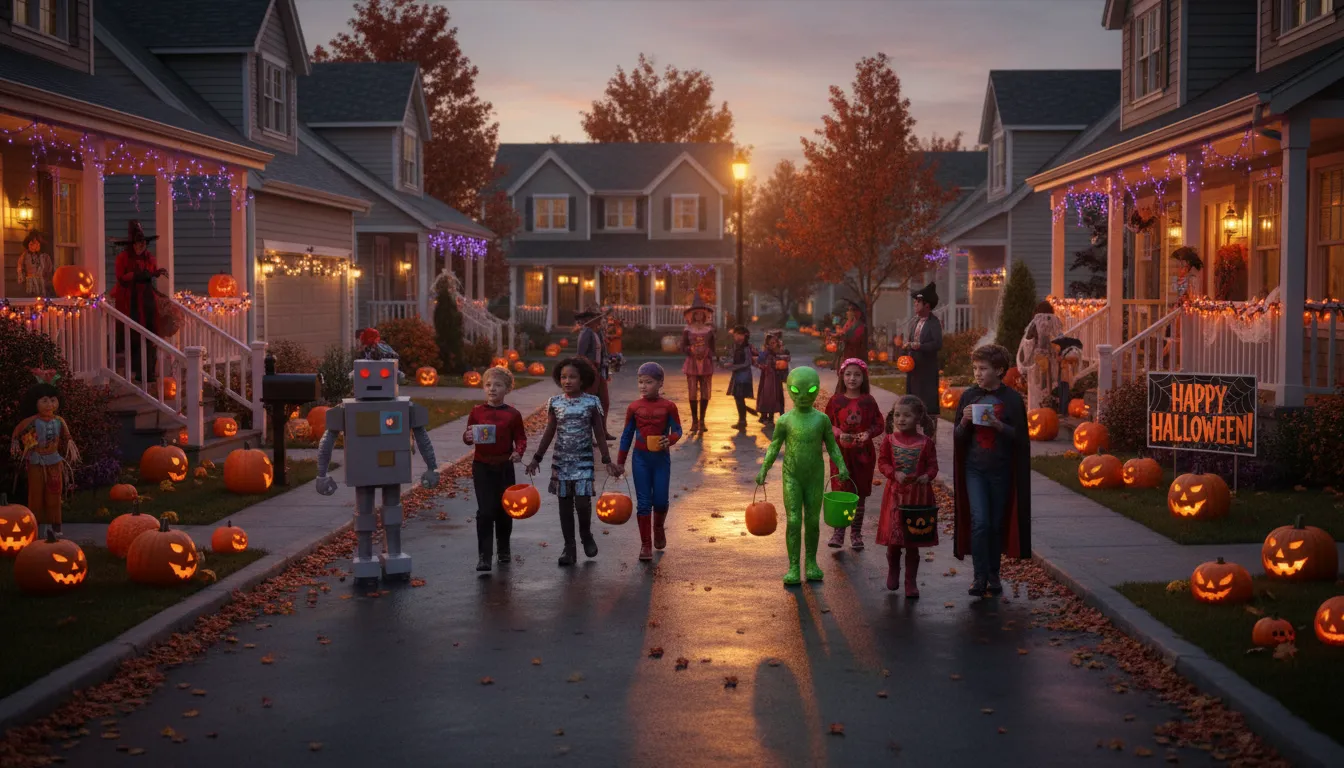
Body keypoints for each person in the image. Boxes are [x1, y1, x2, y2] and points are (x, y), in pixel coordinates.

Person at [755, 367, 850, 585]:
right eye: (797, 390)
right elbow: (774, 446)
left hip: (815, 476)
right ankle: (794, 565)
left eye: (811, 390)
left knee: (813, 521)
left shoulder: (822, 420)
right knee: (795, 520)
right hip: (792, 476)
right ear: (789, 389)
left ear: (817, 391)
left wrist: (841, 466)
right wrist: (764, 468)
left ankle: (811, 563)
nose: (804, 396)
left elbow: (833, 447)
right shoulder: (785, 420)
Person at [952, 344, 1032, 597]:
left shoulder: (1011, 400)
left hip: (1002, 471)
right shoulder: (968, 396)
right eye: (975, 368)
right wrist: (964, 420)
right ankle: (978, 577)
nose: (977, 373)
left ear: (999, 370)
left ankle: (994, 574)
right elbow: (957, 437)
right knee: (980, 522)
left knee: (996, 523)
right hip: (974, 469)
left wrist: (998, 425)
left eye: (983, 369)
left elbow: (1021, 437)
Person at [526, 357, 618, 567]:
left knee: (583, 504)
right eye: (563, 377)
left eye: (572, 377)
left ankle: (586, 535)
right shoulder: (555, 403)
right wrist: (536, 458)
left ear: (582, 379)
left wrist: (606, 459)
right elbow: (549, 432)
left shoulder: (592, 402)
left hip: (583, 461)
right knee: (565, 507)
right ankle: (569, 548)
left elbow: (599, 433)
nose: (567, 381)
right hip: (562, 463)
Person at [615, 362, 683, 561]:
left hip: (661, 459)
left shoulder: (669, 407)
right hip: (641, 459)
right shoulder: (634, 407)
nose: (643, 386)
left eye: (649, 382)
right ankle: (645, 544)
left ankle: (659, 528)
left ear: (660, 383)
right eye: (640, 382)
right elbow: (627, 436)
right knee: (644, 503)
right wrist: (620, 463)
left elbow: (678, 430)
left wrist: (669, 440)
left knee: (660, 500)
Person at [463, 366, 527, 572]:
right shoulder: (477, 412)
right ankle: (484, 556)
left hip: (504, 466)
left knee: (505, 509)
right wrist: (467, 437)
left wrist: (519, 451)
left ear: (507, 389)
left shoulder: (513, 414)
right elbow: (467, 435)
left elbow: (520, 438)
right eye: (488, 385)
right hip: (482, 465)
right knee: (485, 511)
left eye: (498, 385)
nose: (492, 389)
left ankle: (504, 549)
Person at [876, 394, 939, 597]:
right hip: (895, 496)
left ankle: (910, 582)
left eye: (907, 416)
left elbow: (933, 465)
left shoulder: (926, 443)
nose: (901, 419)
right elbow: (883, 462)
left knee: (913, 540)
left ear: (918, 418)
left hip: (918, 498)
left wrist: (927, 476)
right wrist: (893, 473)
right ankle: (893, 569)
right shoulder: (889, 440)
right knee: (895, 540)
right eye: (897, 415)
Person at [9, 367, 81, 538]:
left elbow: (68, 437)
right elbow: (16, 432)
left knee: (54, 493)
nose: (50, 405)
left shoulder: (59, 421)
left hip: (54, 461)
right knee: (36, 494)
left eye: (53, 401)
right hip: (36, 461)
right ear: (35, 403)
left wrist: (70, 444)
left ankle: (56, 526)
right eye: (45, 401)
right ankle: (35, 526)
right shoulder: (31, 421)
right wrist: (16, 444)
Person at [824, 359, 884, 551]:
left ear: (863, 378)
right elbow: (827, 423)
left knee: (859, 494)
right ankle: (839, 532)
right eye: (848, 374)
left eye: (857, 375)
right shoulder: (836, 401)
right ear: (842, 376)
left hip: (862, 455)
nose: (852, 378)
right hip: (840, 454)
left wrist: (867, 434)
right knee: (841, 491)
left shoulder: (868, 401)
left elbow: (879, 424)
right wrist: (838, 433)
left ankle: (856, 533)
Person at [111, 220, 167, 382]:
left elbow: (150, 273)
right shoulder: (123, 258)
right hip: (130, 300)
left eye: (143, 242)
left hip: (147, 299)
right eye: (137, 242)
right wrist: (138, 275)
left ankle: (149, 371)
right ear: (132, 244)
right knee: (134, 334)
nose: (140, 245)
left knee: (150, 333)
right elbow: (122, 277)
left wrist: (150, 274)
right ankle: (138, 370)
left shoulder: (149, 258)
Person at [1015, 301, 1065, 411]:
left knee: (1039, 391)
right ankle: (1045, 411)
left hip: (1040, 364)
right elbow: (1060, 341)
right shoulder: (1050, 325)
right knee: (1044, 389)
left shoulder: (1041, 326)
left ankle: (1039, 411)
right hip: (1044, 364)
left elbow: (1027, 345)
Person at [903, 283, 944, 417]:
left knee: (926, 397)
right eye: (915, 302)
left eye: (918, 302)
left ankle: (928, 424)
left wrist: (919, 346)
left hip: (926, 367)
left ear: (927, 305)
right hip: (914, 366)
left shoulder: (934, 323)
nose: (915, 304)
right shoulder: (915, 322)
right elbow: (912, 341)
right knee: (912, 395)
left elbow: (937, 343)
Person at [680, 294, 716, 434]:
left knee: (705, 392)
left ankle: (702, 420)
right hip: (692, 363)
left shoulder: (709, 330)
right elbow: (683, 347)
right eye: (697, 314)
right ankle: (694, 421)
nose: (699, 316)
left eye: (702, 314)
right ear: (693, 315)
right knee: (693, 392)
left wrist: (707, 352)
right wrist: (691, 350)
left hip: (706, 363)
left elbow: (713, 347)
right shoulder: (687, 330)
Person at [575, 307, 612, 440]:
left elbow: (602, 353)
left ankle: (602, 432)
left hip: (600, 371)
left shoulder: (598, 333)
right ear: (588, 321)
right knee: (590, 403)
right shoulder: (586, 333)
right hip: (590, 371)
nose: (599, 321)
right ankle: (587, 436)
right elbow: (581, 355)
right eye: (596, 319)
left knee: (604, 402)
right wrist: (585, 371)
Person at [726, 325, 758, 430]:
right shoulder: (737, 347)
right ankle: (742, 419)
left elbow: (747, 362)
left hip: (743, 376)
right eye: (736, 334)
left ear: (745, 336)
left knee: (739, 397)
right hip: (738, 375)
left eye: (740, 334)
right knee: (738, 397)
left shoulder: (746, 347)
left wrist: (734, 366)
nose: (737, 337)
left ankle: (742, 421)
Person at [755, 330, 789, 425]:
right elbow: (759, 361)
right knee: (766, 396)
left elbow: (785, 361)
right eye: (770, 343)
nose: (772, 345)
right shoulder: (766, 352)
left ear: (777, 343)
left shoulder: (780, 352)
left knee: (776, 396)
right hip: (767, 377)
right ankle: (764, 415)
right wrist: (762, 365)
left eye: (773, 343)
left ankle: (772, 416)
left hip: (776, 377)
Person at [832, 301, 868, 372]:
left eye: (850, 310)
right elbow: (843, 333)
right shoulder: (848, 323)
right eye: (848, 310)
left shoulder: (859, 326)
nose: (847, 312)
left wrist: (843, 335)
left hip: (854, 356)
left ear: (856, 313)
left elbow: (854, 339)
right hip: (845, 355)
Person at [17, 231, 53, 298]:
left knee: (42, 299)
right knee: (30, 299)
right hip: (29, 282)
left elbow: (49, 270)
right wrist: (22, 278)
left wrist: (47, 281)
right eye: (31, 243)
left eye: (36, 243)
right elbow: (20, 267)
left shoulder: (45, 256)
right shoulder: (25, 256)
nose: (33, 245)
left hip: (42, 282)